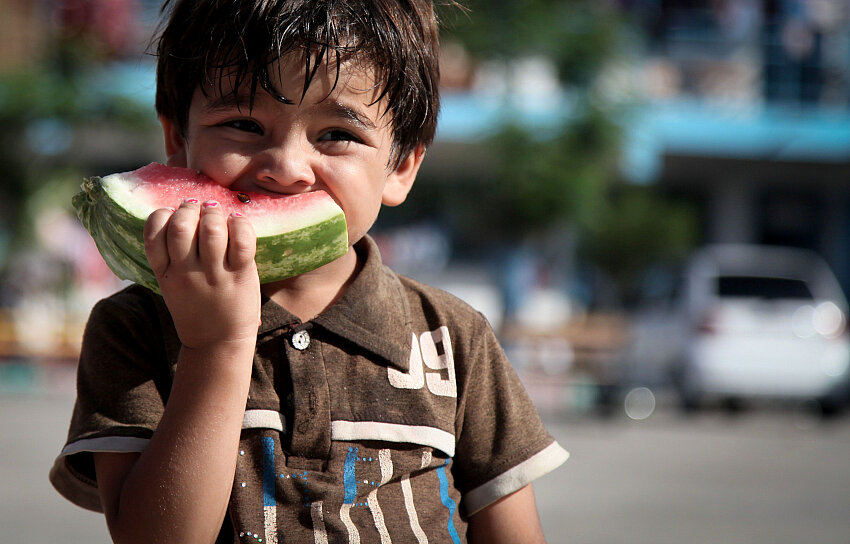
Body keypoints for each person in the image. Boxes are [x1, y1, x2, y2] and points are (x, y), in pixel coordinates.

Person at [49, 1, 569, 542]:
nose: (286, 168)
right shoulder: (134, 328)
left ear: (403, 166)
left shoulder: (454, 338)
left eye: (336, 134)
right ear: (178, 141)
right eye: (243, 124)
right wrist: (215, 347)